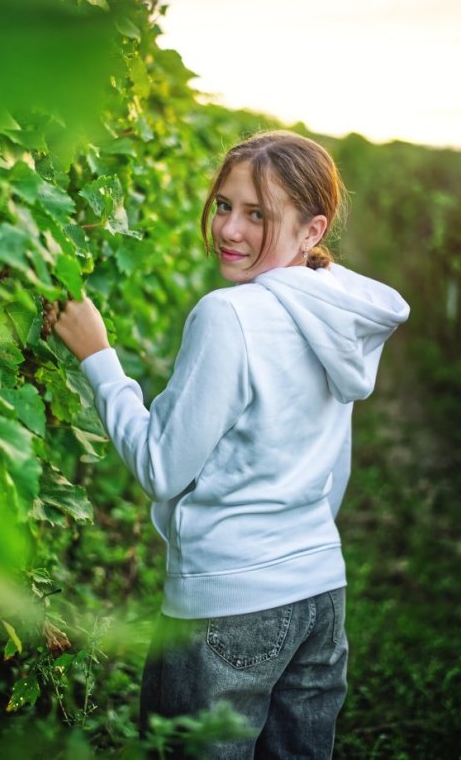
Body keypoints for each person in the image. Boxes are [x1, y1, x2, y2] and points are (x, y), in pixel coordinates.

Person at [51, 130, 410, 759]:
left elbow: (161, 467)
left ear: (312, 230)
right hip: (320, 597)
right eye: (223, 205)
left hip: (226, 604)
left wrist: (97, 356)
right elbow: (336, 470)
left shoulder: (230, 315)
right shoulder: (338, 317)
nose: (229, 229)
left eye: (257, 214)